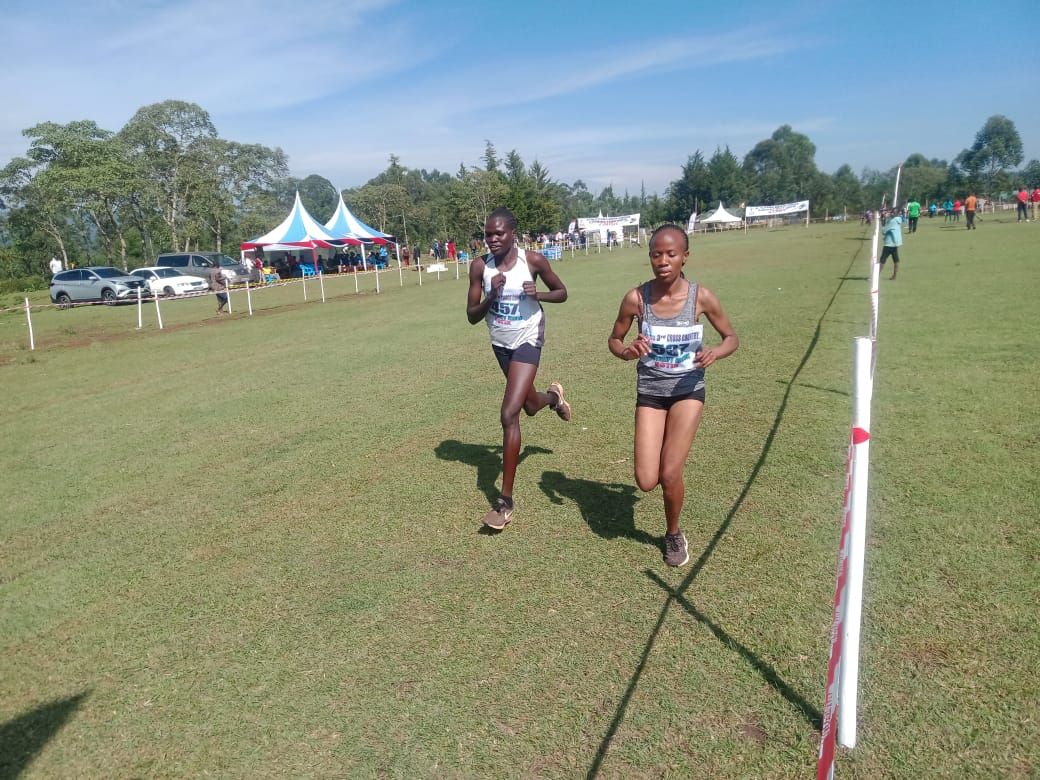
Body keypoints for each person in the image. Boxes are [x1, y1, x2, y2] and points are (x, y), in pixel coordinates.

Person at [607, 225, 738, 567]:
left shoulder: (701, 297)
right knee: (646, 480)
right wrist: (628, 351)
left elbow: (731, 338)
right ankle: (668, 494)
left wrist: (715, 353)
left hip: (687, 390)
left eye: (671, 254)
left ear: (685, 257)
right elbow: (614, 340)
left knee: (669, 473)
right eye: (656, 254)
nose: (663, 261)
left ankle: (673, 533)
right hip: (650, 391)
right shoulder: (636, 298)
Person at [466, 207, 571, 530]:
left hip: (528, 337)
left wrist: (537, 293)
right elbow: (471, 315)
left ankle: (505, 501)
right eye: (488, 234)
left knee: (509, 414)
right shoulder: (480, 267)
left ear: (513, 233)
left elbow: (562, 292)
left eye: (499, 233)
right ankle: (553, 398)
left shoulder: (533, 261)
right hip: (500, 342)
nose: (493, 239)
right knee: (527, 406)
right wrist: (491, 296)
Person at [879, 208, 904, 279]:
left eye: (893, 213)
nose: (891, 214)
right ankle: (894, 276)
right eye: (891, 212)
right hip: (895, 243)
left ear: (896, 213)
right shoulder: (898, 219)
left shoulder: (892, 221)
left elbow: (883, 231)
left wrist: (883, 221)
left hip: (889, 243)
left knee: (882, 260)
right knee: (896, 259)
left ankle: (876, 276)